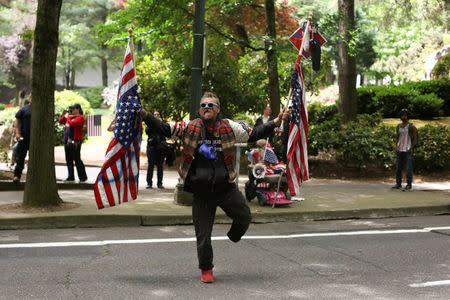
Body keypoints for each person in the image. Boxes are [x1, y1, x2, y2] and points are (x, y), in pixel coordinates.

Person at [141, 91, 289, 283]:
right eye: (203, 105)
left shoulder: (230, 127)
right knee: (203, 236)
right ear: (199, 110)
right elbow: (163, 127)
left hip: (225, 188)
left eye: (211, 105)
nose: (207, 108)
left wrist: (276, 121)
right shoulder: (189, 127)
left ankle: (233, 235)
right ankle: (206, 269)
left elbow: (254, 134)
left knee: (244, 216)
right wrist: (145, 115)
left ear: (218, 108)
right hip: (201, 191)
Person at [58, 103, 87, 182]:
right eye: (71, 109)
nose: (72, 110)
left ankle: (83, 177)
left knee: (77, 159)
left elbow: (72, 124)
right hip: (67, 141)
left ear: (78, 109)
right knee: (68, 160)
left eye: (73, 109)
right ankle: (71, 177)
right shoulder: (70, 118)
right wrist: (65, 116)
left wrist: (67, 118)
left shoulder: (80, 118)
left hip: (76, 142)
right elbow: (60, 121)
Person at [392, 109, 417, 191]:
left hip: (407, 150)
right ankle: (398, 184)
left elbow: (415, 139)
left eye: (405, 115)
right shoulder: (398, 126)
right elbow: (397, 137)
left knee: (408, 168)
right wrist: (396, 146)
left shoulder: (411, 126)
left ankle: (409, 185)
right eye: (402, 115)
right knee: (398, 168)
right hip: (399, 149)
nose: (403, 117)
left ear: (408, 116)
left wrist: (411, 148)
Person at [13, 96, 32, 183]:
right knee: (20, 157)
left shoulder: (40, 109)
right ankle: (17, 175)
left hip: (35, 139)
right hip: (24, 137)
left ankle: (32, 177)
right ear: (30, 98)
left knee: (34, 158)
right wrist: (17, 133)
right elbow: (17, 120)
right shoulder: (24, 108)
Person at [145, 110, 166, 189]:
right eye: (154, 114)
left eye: (157, 114)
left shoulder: (163, 123)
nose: (156, 116)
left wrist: (161, 123)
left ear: (160, 116)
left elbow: (166, 132)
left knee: (160, 165)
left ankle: (160, 183)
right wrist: (153, 124)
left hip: (161, 146)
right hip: (151, 146)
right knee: (150, 165)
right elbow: (147, 131)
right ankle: (149, 183)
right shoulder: (149, 123)